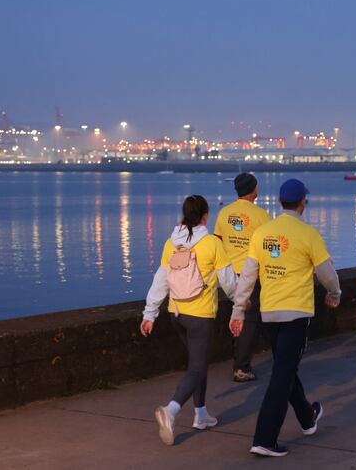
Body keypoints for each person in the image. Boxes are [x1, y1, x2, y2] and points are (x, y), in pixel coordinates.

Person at [229, 179, 341, 458]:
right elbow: (327, 273)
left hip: (269, 315)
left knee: (285, 368)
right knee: (281, 376)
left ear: (280, 202)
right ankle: (265, 439)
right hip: (296, 314)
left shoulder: (262, 233)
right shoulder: (308, 234)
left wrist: (238, 309)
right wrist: (335, 293)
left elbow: (248, 276)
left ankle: (307, 417)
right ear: (303, 203)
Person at [140, 195, 238, 446]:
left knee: (197, 363)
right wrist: (241, 304)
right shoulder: (212, 244)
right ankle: (171, 410)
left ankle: (201, 414)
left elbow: (161, 280)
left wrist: (150, 314)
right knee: (197, 367)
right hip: (200, 316)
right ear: (205, 216)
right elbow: (229, 282)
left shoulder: (171, 243)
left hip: (177, 314)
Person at [214, 173, 271, 382]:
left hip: (229, 274)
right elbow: (268, 246)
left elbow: (217, 243)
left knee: (237, 314)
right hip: (251, 274)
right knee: (250, 319)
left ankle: (237, 356)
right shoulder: (261, 215)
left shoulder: (224, 213)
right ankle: (241, 367)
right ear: (254, 190)